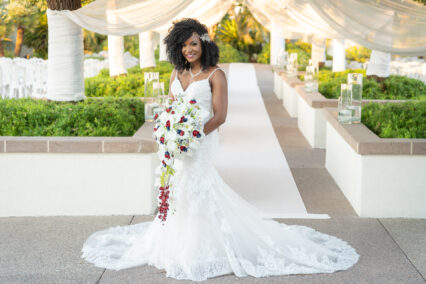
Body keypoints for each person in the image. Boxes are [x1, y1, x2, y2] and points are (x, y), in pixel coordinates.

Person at [81, 18, 359, 282]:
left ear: (204, 45)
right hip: (178, 143)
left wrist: (192, 135)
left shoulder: (216, 75)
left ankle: (204, 246)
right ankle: (181, 240)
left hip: (203, 140)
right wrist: (170, 132)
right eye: (183, 45)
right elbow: (170, 107)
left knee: (197, 185)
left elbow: (220, 115)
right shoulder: (177, 73)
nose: (188, 50)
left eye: (193, 44)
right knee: (179, 188)